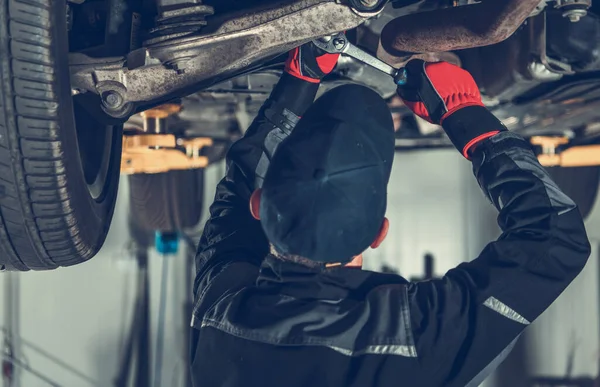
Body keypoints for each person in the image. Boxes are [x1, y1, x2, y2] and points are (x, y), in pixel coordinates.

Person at [189, 42, 591, 387]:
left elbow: (555, 240)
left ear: (381, 233)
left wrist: (467, 118)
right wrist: (301, 75)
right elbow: (242, 183)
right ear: (379, 233)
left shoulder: (418, 337)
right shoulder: (218, 311)